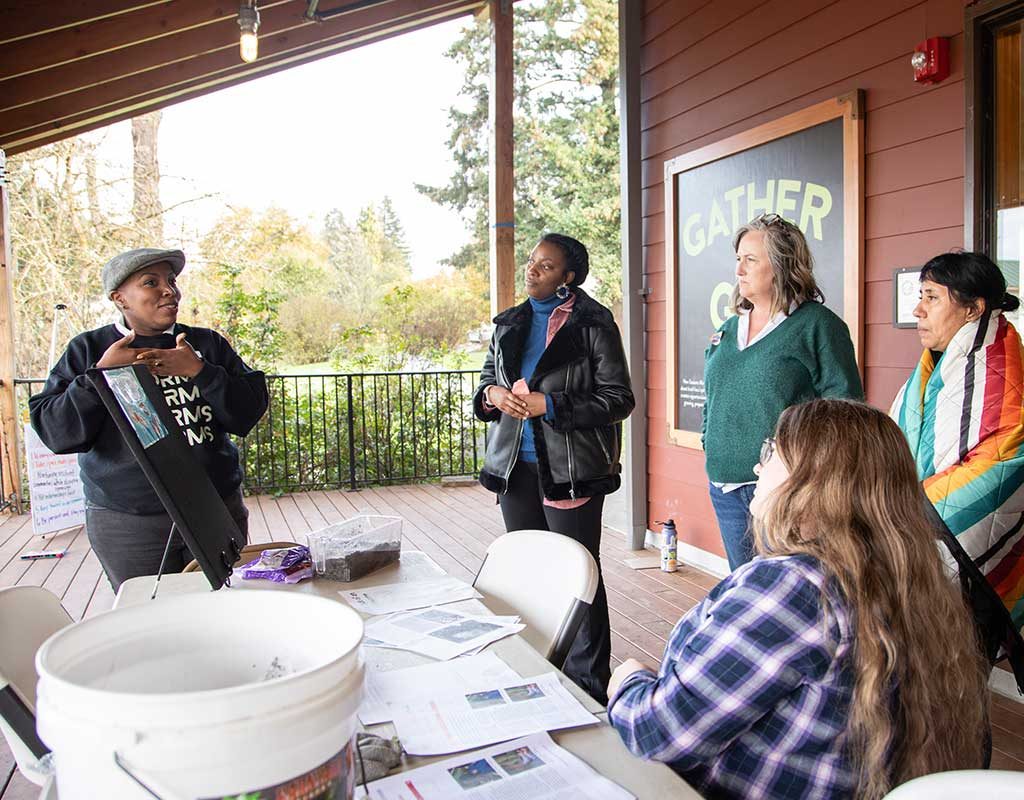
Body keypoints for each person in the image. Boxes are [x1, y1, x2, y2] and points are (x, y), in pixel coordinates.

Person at [607, 399, 989, 800]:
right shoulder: (907, 582)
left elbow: (658, 733)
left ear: (816, 484)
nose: (758, 466)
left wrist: (627, 678)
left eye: (771, 452)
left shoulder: (795, 589)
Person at [30, 248, 268, 591]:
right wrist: (100, 377)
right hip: (128, 520)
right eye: (150, 282)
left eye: (171, 281)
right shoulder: (88, 350)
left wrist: (199, 371)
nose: (169, 290)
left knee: (220, 610)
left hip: (215, 509)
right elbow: (56, 431)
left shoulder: (205, 344)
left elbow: (247, 411)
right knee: (145, 612)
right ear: (120, 298)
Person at [474, 233, 634, 705]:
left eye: (546, 266)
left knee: (578, 575)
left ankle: (589, 686)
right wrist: (492, 395)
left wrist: (551, 404)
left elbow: (618, 399)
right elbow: (486, 379)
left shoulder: (594, 323)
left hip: (572, 472)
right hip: (513, 468)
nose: (532, 270)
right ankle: (532, 671)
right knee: (525, 571)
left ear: (569, 276)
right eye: (531, 262)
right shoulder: (509, 323)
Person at [702, 213, 862, 570]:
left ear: (781, 265)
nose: (739, 270)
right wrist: (709, 444)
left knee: (792, 595)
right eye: (738, 259)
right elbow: (712, 401)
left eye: (751, 260)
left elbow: (845, 409)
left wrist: (803, 471)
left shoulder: (818, 326)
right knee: (745, 593)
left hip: (786, 491)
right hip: (725, 488)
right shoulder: (726, 330)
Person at [892, 251, 1024, 635]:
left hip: (958, 558)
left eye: (932, 297)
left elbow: (1004, 462)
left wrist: (901, 511)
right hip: (924, 541)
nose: (918, 309)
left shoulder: (997, 367)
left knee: (955, 667)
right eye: (920, 295)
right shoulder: (942, 362)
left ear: (973, 310)